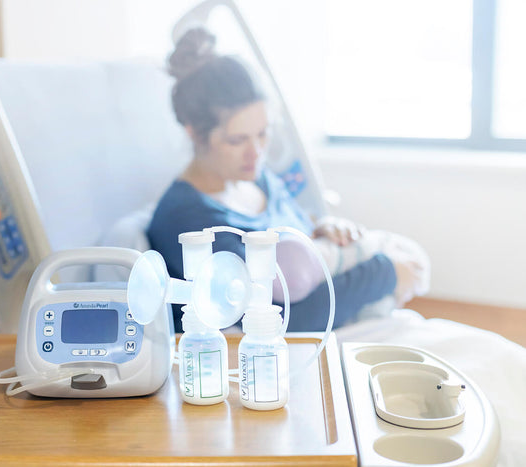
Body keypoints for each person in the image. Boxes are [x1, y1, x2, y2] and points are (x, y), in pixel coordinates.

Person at [146, 27, 429, 332]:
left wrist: (321, 230)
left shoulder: (257, 180)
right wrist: (385, 274)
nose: (255, 152)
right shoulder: (188, 222)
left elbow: (301, 250)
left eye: (263, 133)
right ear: (195, 133)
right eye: (237, 139)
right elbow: (283, 322)